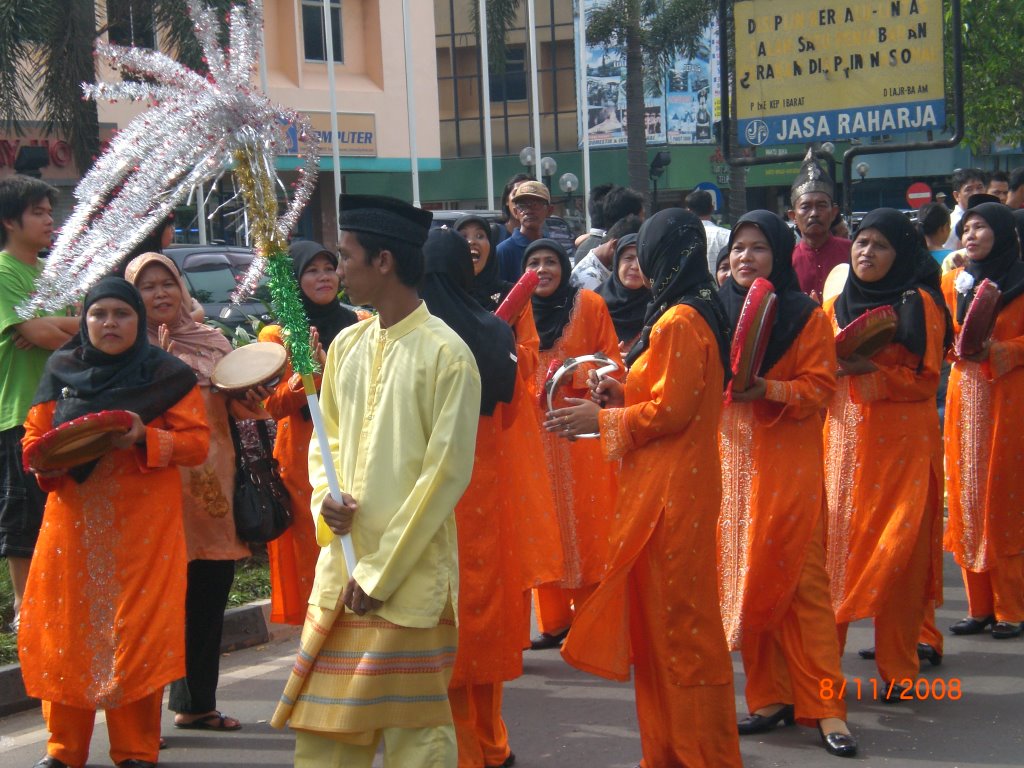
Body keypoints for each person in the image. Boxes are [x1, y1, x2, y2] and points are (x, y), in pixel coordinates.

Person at [271, 194, 481, 768]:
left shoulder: (447, 355)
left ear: (383, 261)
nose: (337, 270)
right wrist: (325, 502)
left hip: (407, 580)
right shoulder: (346, 344)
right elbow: (326, 441)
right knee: (325, 735)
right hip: (341, 569)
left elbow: (444, 476)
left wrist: (382, 572)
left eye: (346, 256)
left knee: (416, 739)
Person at [555, 208, 742, 767]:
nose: (638, 264)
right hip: (675, 482)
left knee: (679, 631)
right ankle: (673, 749)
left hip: (671, 492)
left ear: (667, 256)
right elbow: (667, 398)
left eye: (646, 253)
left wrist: (599, 419)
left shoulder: (679, 320)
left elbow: (672, 410)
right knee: (669, 629)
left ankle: (694, 752)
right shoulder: (694, 311)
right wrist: (618, 395)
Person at [20, 277, 208, 768]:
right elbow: (34, 438)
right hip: (72, 528)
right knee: (66, 634)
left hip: (144, 533)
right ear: (83, 319)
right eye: (98, 314)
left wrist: (147, 436)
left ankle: (135, 751)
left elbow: (197, 445)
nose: (109, 323)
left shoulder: (168, 376)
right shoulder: (61, 369)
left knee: (137, 638)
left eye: (121, 314)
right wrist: (45, 462)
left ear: (139, 321)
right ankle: (63, 751)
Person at [716, 211, 855, 757]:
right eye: (737, 249)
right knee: (749, 582)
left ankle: (827, 708)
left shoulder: (806, 318)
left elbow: (820, 389)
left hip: (790, 467)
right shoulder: (712, 313)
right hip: (731, 467)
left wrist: (767, 388)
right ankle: (769, 698)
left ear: (779, 252)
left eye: (758, 248)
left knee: (805, 589)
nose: (745, 258)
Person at [125, 252, 255, 733]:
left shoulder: (212, 341)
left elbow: (239, 409)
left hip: (211, 491)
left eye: (168, 283)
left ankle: (197, 703)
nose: (160, 294)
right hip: (150, 494)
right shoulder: (126, 352)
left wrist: (254, 396)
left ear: (182, 289)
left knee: (206, 598)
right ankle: (137, 726)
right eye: (147, 286)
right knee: (153, 607)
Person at [823, 209, 950, 700]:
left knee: (898, 559)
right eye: (860, 242)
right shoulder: (834, 303)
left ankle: (900, 673)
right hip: (841, 447)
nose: (865, 253)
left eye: (880, 245)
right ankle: (821, 674)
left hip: (901, 448)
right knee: (836, 560)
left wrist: (864, 373)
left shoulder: (918, 302)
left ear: (902, 252)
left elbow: (926, 381)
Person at [420, 228, 523, 768]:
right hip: (486, 497)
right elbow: (510, 417)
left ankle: (464, 752)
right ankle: (493, 743)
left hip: (433, 500)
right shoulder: (495, 332)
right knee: (483, 623)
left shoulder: (414, 339)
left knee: (444, 630)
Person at [454, 214, 566, 655]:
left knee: (511, 528)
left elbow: (531, 355)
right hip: (462, 425)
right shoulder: (441, 298)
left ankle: (512, 633)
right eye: (464, 237)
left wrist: (496, 348)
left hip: (507, 420)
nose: (473, 243)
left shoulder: (510, 297)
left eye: (481, 235)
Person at [522, 238, 621, 650]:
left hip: (579, 429)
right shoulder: (518, 311)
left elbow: (611, 358)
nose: (543, 269)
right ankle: (555, 622)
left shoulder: (590, 305)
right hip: (533, 429)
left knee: (589, 519)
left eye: (550, 262)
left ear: (564, 266)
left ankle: (594, 618)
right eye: (534, 262)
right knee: (545, 521)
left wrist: (576, 380)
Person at [258, 242, 359, 626]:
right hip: (302, 462)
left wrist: (330, 365)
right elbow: (272, 405)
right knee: (312, 552)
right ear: (297, 281)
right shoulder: (278, 335)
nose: (323, 277)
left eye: (329, 268)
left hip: (353, 448)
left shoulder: (360, 322)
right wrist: (309, 376)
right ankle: (314, 640)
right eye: (312, 271)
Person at [0, 175, 78, 636]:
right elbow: (43, 336)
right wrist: (51, 327)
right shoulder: (5, 272)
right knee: (23, 513)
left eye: (50, 212)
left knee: (60, 511)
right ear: (11, 220)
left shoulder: (54, 274)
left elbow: (88, 332)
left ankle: (56, 602)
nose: (50, 221)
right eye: (39, 213)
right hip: (18, 413)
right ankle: (25, 611)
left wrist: (55, 324)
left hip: (63, 410)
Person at [942, 202, 1024, 639]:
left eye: (981, 228)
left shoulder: (1021, 282)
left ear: (1004, 233)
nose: (971, 235)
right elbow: (936, 331)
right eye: (966, 228)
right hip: (964, 397)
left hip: (1009, 400)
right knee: (967, 496)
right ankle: (980, 607)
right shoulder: (954, 282)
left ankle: (1011, 605)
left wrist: (1003, 351)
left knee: (1003, 496)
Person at [788, 149, 851, 302]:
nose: (814, 213)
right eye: (806, 207)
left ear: (834, 212)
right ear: (793, 216)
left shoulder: (853, 252)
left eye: (821, 205)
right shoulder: (786, 261)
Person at [595, 233, 650, 355]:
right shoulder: (594, 303)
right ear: (617, 262)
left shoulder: (658, 307)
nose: (635, 266)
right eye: (628, 258)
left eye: (641, 260)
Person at [496, 181, 553, 283]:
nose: (528, 210)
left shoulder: (553, 248)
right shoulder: (504, 251)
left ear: (549, 210)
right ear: (515, 212)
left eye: (535, 205)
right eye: (522, 206)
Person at [570, 213, 643, 291]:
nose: (635, 266)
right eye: (628, 257)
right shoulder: (589, 278)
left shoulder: (604, 267)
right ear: (615, 245)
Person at [685, 189, 730, 274]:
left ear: (688, 211)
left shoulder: (682, 238)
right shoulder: (726, 235)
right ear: (712, 208)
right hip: (721, 286)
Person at [941, 168, 987, 250]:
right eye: (969, 189)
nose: (976, 193)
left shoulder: (987, 216)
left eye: (979, 188)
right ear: (956, 196)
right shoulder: (953, 224)